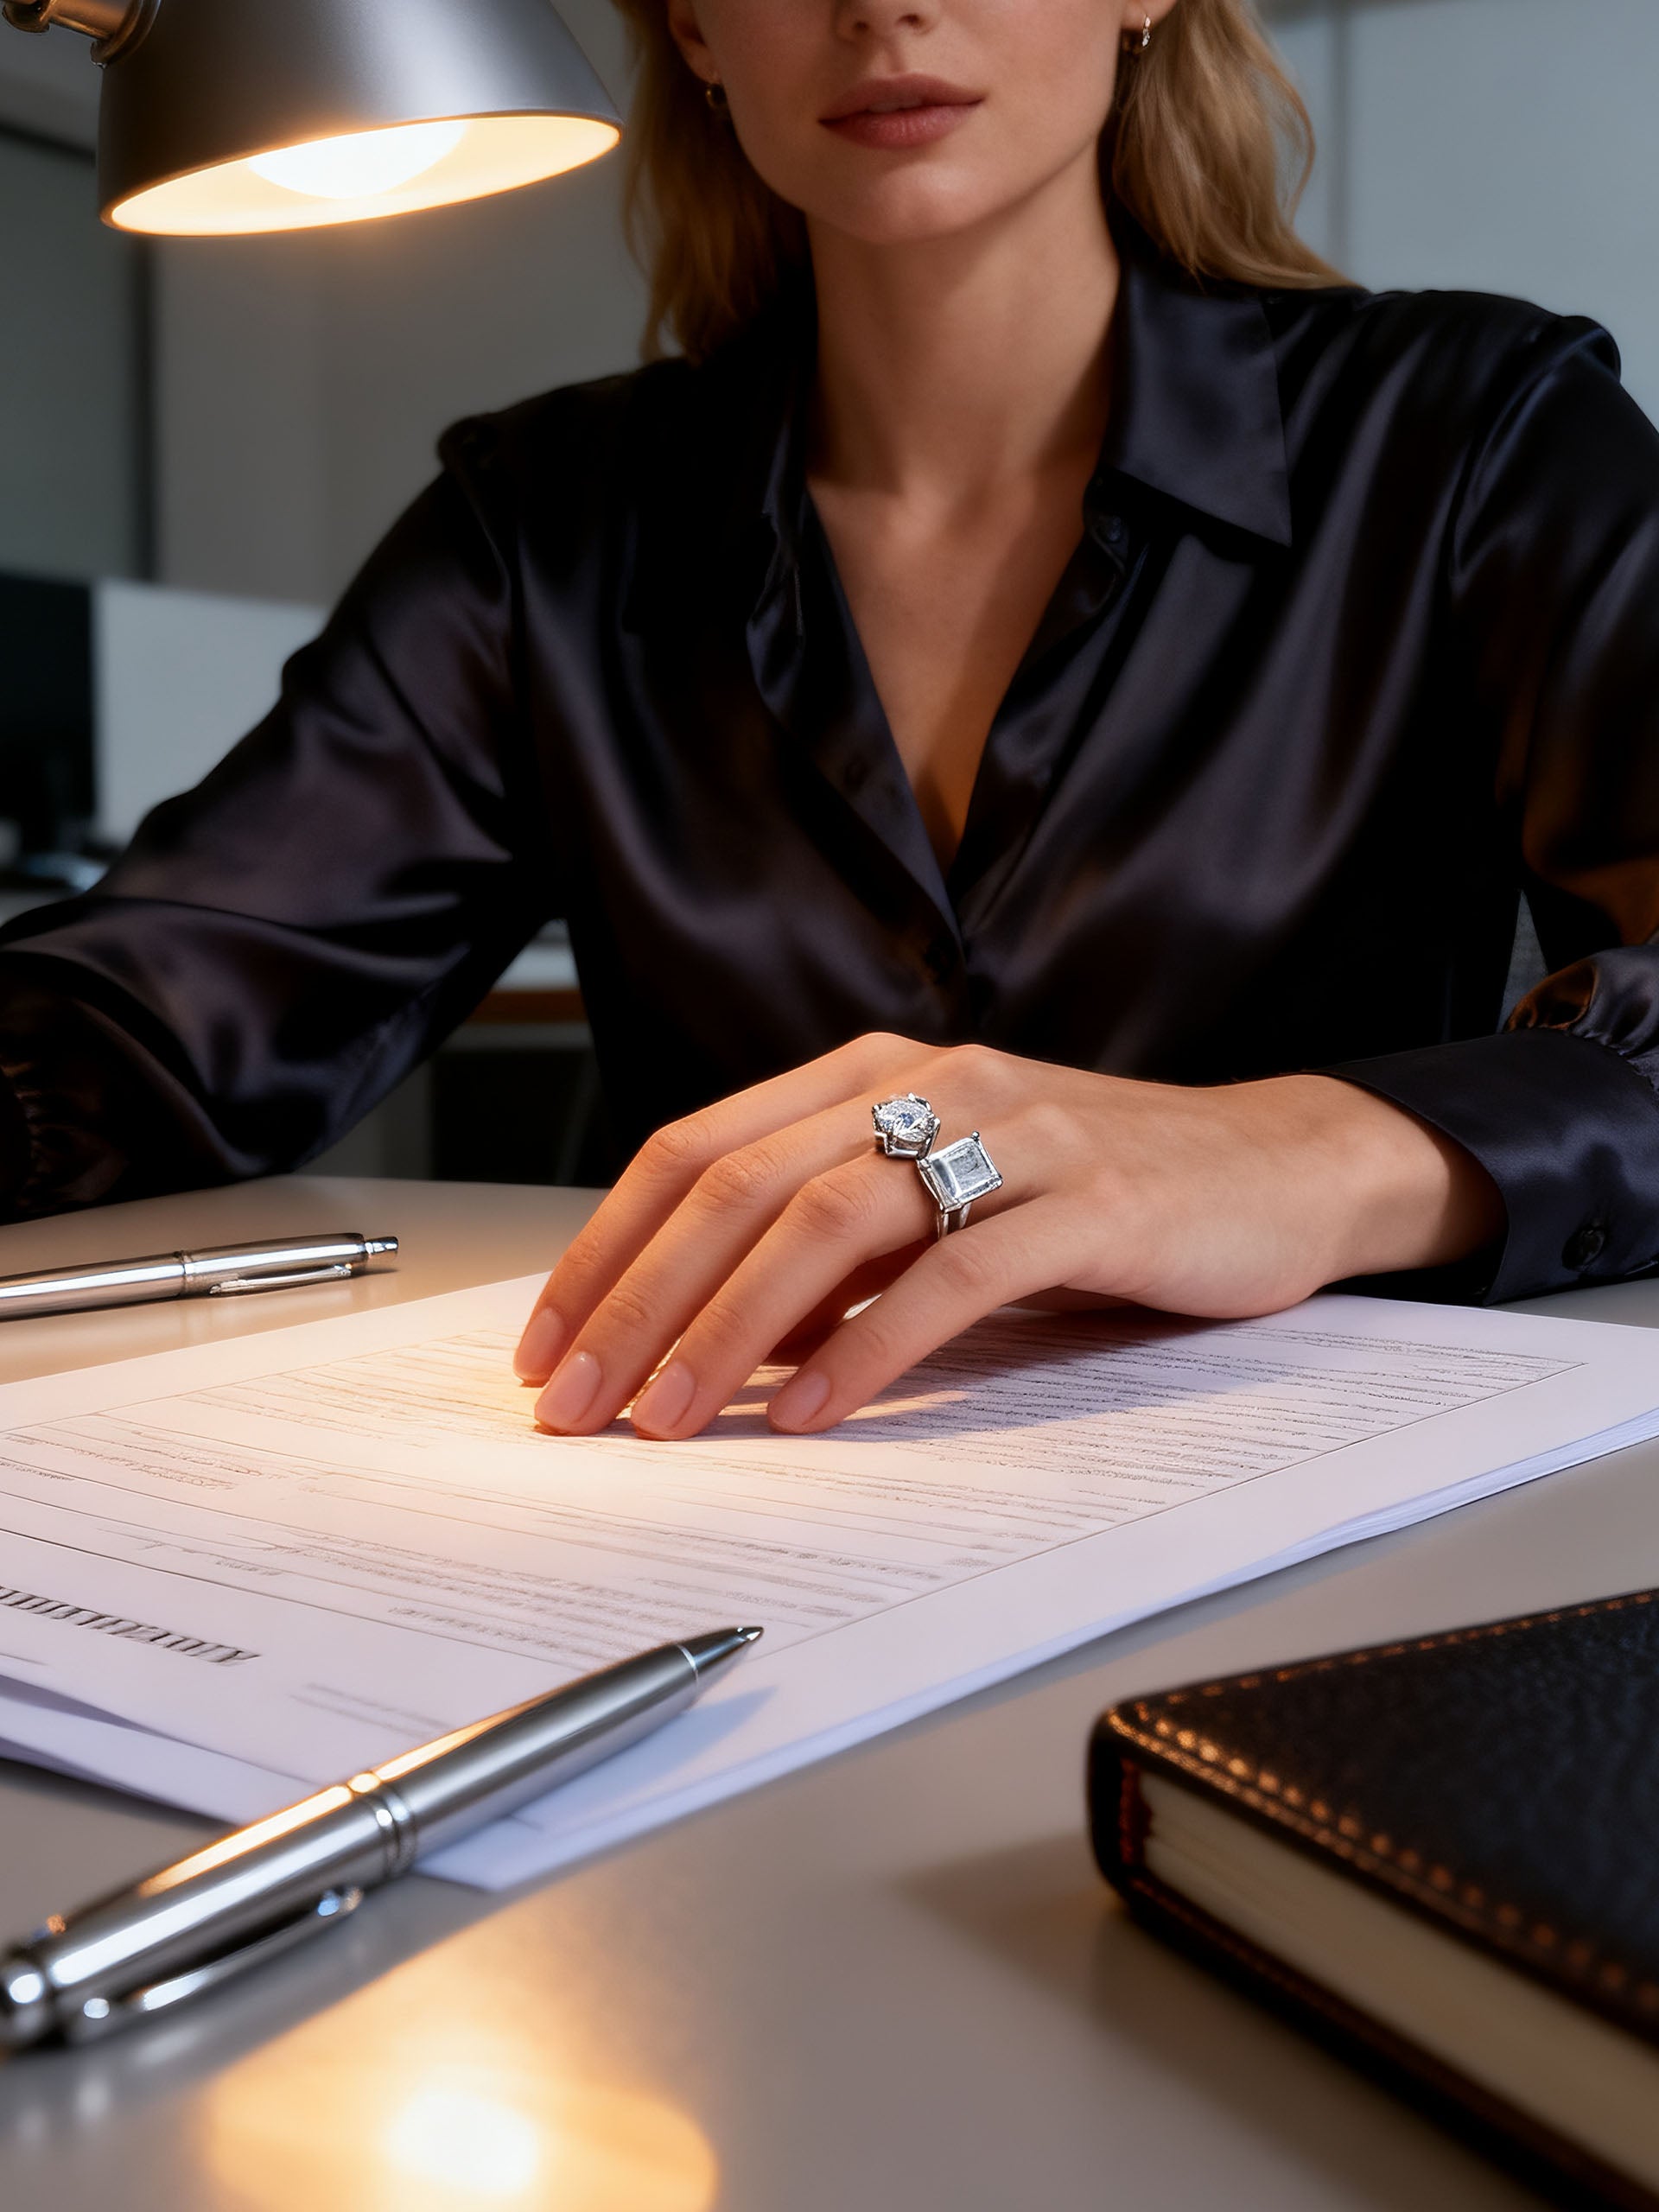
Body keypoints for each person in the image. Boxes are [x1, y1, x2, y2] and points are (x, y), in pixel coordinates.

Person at [3, 0, 1657, 1445]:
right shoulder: (548, 527)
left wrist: (1285, 1153)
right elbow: (152, 1020)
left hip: (1329, 1487)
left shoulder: (1478, 437)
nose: (884, 8)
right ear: (697, 29)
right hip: (727, 1479)